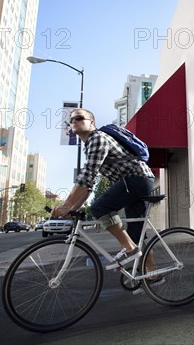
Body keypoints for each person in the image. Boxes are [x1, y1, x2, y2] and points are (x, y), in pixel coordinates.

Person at [52, 108, 155, 270]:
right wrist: (74, 208)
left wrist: (67, 204)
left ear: (91, 122)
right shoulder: (90, 145)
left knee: (99, 208)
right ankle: (153, 274)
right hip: (136, 181)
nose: (74, 122)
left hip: (136, 179)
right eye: (71, 120)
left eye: (79, 118)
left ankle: (129, 249)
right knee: (136, 233)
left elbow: (87, 175)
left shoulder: (98, 138)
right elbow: (89, 185)